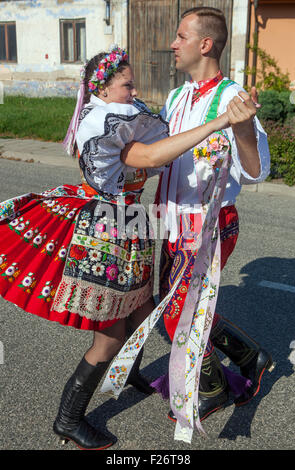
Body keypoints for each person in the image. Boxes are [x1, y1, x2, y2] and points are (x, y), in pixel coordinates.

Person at [0, 46, 233, 450]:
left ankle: (128, 373)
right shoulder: (105, 124)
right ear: (103, 90)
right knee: (110, 333)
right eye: (127, 84)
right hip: (106, 234)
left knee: (142, 308)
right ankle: (68, 419)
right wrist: (219, 122)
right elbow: (149, 155)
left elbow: (155, 160)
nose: (134, 89)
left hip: (129, 226)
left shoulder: (124, 117)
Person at [154, 7, 274, 428]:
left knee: (177, 312)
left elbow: (258, 173)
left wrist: (242, 129)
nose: (173, 43)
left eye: (181, 36)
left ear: (205, 44)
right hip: (171, 222)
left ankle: (212, 389)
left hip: (209, 226)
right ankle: (249, 356)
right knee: (177, 305)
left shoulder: (232, 99)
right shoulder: (177, 96)